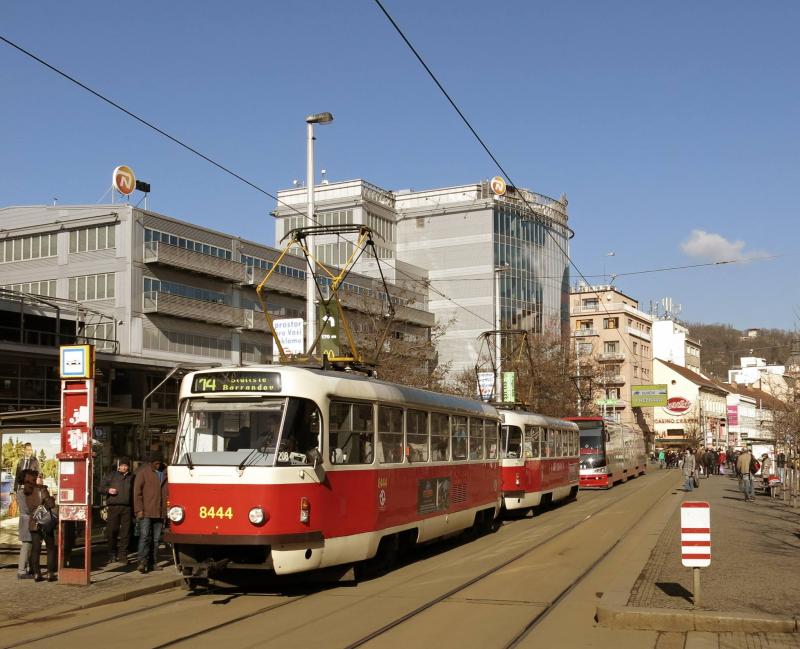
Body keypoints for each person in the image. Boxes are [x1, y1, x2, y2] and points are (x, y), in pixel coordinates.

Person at [15, 469, 57, 582]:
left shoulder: (25, 491)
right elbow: (51, 504)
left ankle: (36, 574)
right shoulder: (41, 489)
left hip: (33, 523)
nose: (40, 478)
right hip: (44, 522)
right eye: (38, 477)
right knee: (50, 548)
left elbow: (29, 508)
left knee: (35, 549)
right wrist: (51, 499)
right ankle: (50, 573)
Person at [133, 453, 168, 573]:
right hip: (146, 511)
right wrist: (139, 510)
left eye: (159, 463)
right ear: (151, 463)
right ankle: (142, 562)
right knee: (145, 537)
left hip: (160, 512)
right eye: (155, 463)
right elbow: (137, 492)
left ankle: (153, 563)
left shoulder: (165, 473)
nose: (158, 465)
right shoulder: (143, 473)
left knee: (156, 539)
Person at [101, 456, 134, 565]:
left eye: (126, 466)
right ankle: (112, 554)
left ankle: (123, 555)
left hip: (127, 508)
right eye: (122, 466)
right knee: (112, 531)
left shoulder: (132, 477)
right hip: (113, 507)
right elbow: (100, 487)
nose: (124, 468)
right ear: (119, 466)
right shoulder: (112, 475)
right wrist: (108, 490)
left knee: (126, 532)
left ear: (128, 467)